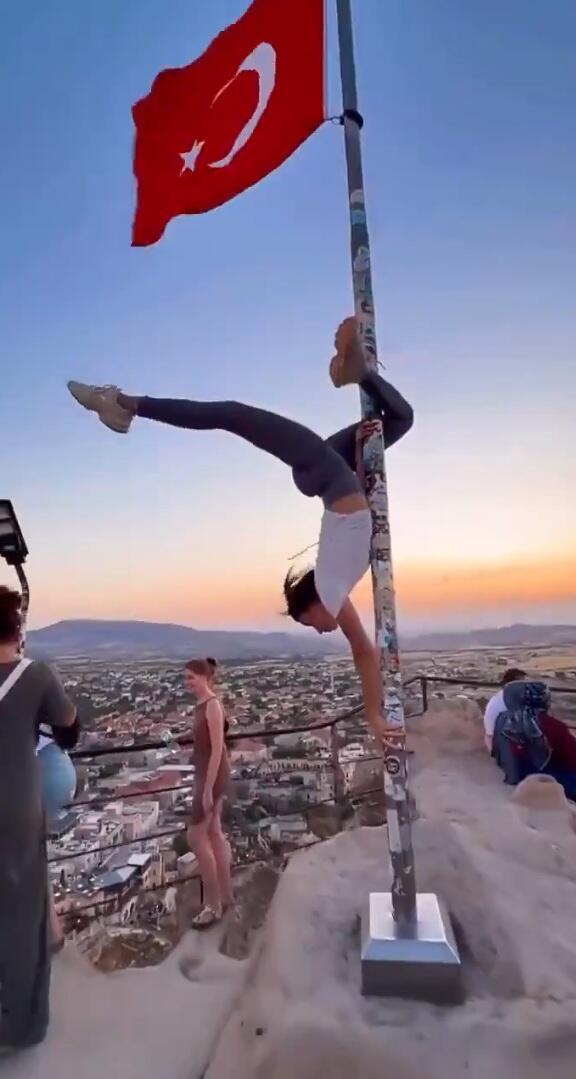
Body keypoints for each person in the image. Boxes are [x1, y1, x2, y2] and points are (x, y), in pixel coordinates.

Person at [67, 318, 413, 744]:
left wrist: (375, 715)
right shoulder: (335, 583)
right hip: (332, 475)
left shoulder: (331, 585)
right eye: (314, 627)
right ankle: (357, 374)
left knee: (233, 415)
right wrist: (360, 458)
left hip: (325, 473)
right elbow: (353, 520)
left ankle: (121, 402)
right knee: (399, 420)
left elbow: (363, 650)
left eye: (313, 624)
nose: (324, 630)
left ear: (314, 600)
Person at [0, 586, 75, 1053]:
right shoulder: (36, 674)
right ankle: (19, 1028)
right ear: (18, 629)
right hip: (16, 802)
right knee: (23, 911)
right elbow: (68, 728)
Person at [495, 679, 576, 814]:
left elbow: (497, 752)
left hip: (516, 776)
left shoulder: (502, 720)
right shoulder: (551, 725)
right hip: (552, 779)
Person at [184, 658, 232, 928]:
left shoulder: (212, 705)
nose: (188, 683)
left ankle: (212, 905)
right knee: (214, 834)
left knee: (197, 837)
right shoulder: (202, 705)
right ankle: (225, 898)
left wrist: (207, 791)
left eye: (191, 677)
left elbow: (217, 750)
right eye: (186, 678)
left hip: (210, 776)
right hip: (207, 774)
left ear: (205, 677)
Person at [37, 717, 80, 951]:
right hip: (60, 776)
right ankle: (53, 932)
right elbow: (71, 731)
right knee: (36, 856)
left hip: (41, 782)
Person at [483, 667, 527, 752]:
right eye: (523, 683)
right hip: (506, 745)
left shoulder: (501, 697)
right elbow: (489, 735)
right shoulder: (501, 701)